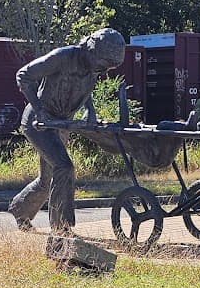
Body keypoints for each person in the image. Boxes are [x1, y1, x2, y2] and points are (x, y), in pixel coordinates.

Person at [8, 28, 128, 235]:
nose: (104, 71)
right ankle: (61, 229)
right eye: (103, 64)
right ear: (90, 50)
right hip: (39, 123)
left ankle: (20, 211)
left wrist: (90, 110)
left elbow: (84, 88)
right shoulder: (62, 57)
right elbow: (24, 75)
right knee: (64, 167)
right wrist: (40, 110)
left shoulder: (93, 67)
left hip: (61, 124)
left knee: (47, 180)